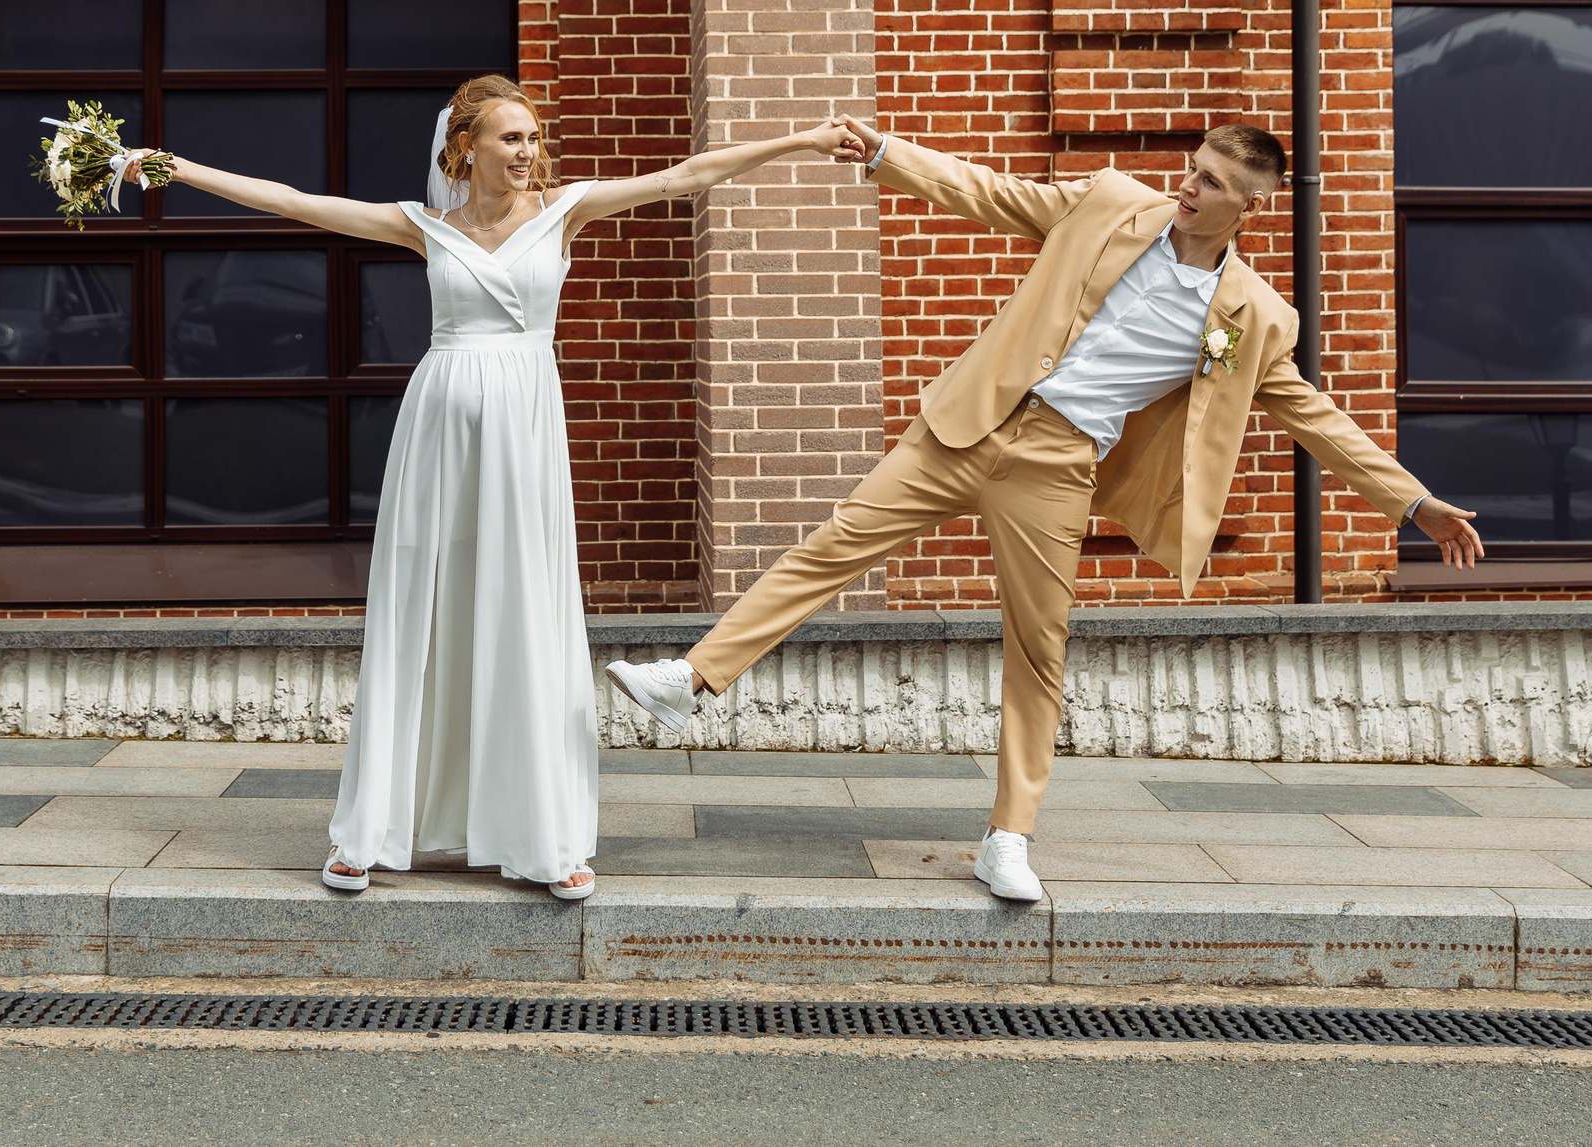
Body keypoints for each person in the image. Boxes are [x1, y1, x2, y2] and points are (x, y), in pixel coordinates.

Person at [608, 119, 1486, 905]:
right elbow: (997, 194)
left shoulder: (1254, 317)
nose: (1189, 185)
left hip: (1058, 466)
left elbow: (1312, 415)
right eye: (1193, 167)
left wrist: (1413, 501)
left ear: (1249, 207)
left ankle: (1007, 837)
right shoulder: (1109, 201)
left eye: (1213, 182)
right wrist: (887, 156)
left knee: (1038, 650)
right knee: (832, 544)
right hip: (970, 420)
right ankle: (692, 680)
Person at [125, 78, 844, 901]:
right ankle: (366, 834)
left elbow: (686, 176)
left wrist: (799, 141)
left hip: (525, 441)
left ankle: (549, 838)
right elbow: (297, 203)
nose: (528, 151)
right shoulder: (422, 225)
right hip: (437, 438)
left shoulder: (565, 209)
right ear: (465, 147)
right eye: (511, 138)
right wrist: (177, 168)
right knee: (422, 613)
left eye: (533, 137)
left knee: (526, 612)